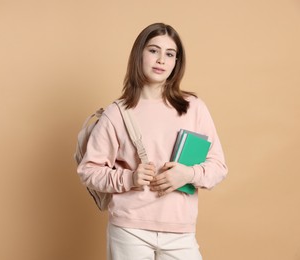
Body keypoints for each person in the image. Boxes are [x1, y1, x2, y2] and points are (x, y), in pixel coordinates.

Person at [77, 22, 228, 260]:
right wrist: (129, 178)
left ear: (176, 63)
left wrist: (188, 175)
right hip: (129, 230)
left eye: (170, 54)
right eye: (153, 50)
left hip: (180, 231)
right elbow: (88, 170)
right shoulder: (117, 113)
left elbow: (218, 167)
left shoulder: (194, 108)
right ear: (139, 54)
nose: (161, 60)